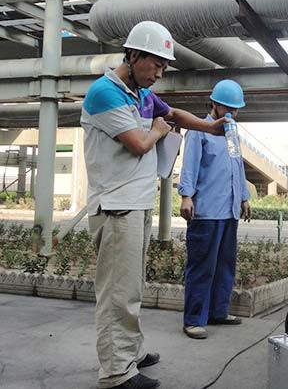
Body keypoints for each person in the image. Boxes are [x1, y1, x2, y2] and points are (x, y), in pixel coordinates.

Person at [81, 21, 227, 389]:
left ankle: (129, 352)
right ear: (133, 55)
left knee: (131, 287)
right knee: (118, 292)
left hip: (136, 203)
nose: (160, 73)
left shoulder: (142, 94)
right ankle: (116, 372)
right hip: (116, 207)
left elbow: (173, 114)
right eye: (156, 64)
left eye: (164, 67)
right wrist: (159, 130)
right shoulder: (105, 93)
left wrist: (210, 128)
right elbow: (139, 144)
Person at [178, 79, 251, 340]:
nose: (233, 113)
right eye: (228, 108)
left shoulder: (232, 134)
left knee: (225, 265)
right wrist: (186, 196)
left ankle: (218, 311)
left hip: (229, 211)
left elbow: (237, 166)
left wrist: (244, 198)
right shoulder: (198, 131)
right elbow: (189, 165)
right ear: (214, 105)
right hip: (207, 212)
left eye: (236, 109)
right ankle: (193, 320)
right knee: (202, 266)